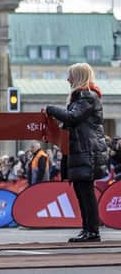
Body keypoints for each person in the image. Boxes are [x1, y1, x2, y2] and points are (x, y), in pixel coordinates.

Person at [44, 63, 108, 243]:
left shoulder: (87, 97)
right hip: (83, 151)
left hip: (87, 151)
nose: (67, 79)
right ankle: (87, 229)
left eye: (70, 75)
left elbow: (72, 117)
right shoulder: (83, 98)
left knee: (86, 193)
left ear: (78, 77)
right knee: (82, 193)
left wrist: (51, 109)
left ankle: (92, 231)